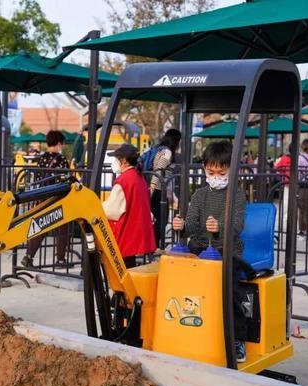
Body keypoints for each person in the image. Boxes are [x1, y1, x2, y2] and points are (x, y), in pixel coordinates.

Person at [171, 140, 248, 363]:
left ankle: (237, 339)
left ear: (232, 170)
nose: (215, 176)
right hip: (201, 247)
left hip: (227, 249)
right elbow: (193, 223)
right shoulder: (200, 195)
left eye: (221, 172)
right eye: (210, 171)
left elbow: (236, 225)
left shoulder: (237, 195)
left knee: (230, 289)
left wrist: (220, 227)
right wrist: (183, 225)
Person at [21, 130, 70, 268]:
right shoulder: (61, 160)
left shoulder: (41, 158)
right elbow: (65, 180)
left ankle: (29, 256)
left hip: (42, 196)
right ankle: (60, 259)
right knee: (62, 227)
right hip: (56, 197)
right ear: (59, 143)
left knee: (41, 226)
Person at [103, 143, 156, 268]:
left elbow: (111, 210)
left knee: (122, 272)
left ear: (124, 161)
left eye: (116, 159)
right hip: (136, 232)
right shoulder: (139, 177)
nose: (115, 162)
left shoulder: (123, 180)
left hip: (125, 234)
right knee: (130, 268)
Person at [147, 128, 181, 248]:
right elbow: (159, 171)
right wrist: (151, 189)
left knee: (154, 220)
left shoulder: (158, 149)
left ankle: (152, 246)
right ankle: (155, 246)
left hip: (156, 189)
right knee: (161, 220)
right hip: (158, 190)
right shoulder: (167, 153)